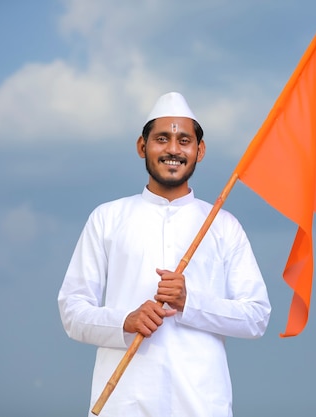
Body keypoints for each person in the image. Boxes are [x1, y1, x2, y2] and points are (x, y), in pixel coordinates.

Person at [58, 92, 271, 417]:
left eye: (184, 140)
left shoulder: (223, 225)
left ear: (199, 151)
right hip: (122, 404)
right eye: (162, 138)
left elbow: (257, 317)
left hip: (201, 404)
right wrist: (125, 321)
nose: (173, 149)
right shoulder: (107, 218)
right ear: (142, 147)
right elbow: (72, 312)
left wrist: (190, 302)